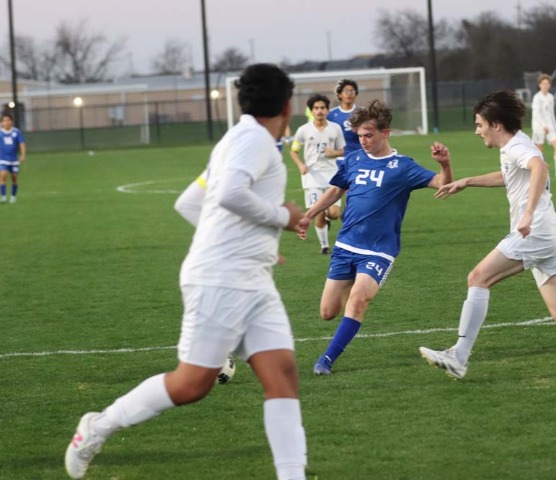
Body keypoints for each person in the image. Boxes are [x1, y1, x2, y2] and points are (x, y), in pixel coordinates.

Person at [65, 63, 308, 480]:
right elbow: (230, 193)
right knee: (192, 384)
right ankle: (97, 426)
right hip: (221, 279)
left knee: (282, 375)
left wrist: (247, 243)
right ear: (287, 106)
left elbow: (190, 203)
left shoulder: (236, 139)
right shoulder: (254, 140)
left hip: (249, 277)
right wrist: (281, 217)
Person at [419, 90, 556, 380]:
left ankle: (458, 356)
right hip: (549, 233)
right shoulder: (514, 146)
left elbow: (539, 167)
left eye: (479, 125)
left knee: (478, 278)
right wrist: (467, 181)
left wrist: (527, 214)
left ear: (496, 124)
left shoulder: (517, 147)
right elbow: (511, 175)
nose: (477, 131)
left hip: (536, 232)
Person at [297, 99, 453, 375]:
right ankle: (354, 294)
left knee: (358, 300)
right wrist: (309, 214)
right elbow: (335, 190)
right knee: (327, 312)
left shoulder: (403, 166)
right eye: (360, 136)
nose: (364, 141)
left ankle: (326, 360)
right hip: (346, 244)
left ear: (386, 132)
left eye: (369, 135)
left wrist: (445, 165)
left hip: (379, 250)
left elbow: (442, 184)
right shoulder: (354, 159)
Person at [290, 94, 346, 254]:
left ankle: (328, 219)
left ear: (327, 110)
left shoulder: (335, 128)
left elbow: (343, 150)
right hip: (312, 176)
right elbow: (294, 151)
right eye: (316, 108)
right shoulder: (303, 130)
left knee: (334, 214)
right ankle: (324, 246)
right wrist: (301, 165)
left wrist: (334, 153)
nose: (319, 111)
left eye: (322, 108)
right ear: (311, 111)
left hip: (332, 174)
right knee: (318, 213)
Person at [531, 74, 556, 178]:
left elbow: (551, 113)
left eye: (547, 83)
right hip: (538, 126)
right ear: (539, 85)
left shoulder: (551, 97)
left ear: (550, 85)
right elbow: (537, 114)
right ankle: (538, 172)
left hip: (549, 125)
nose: (545, 86)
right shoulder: (537, 97)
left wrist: (555, 126)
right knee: (539, 149)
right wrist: (543, 126)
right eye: (543, 83)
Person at [327, 79, 361, 157]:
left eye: (352, 91)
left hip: (358, 156)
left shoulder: (362, 112)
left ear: (356, 94)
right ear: (339, 95)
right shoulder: (331, 115)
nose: (349, 94)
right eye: (346, 91)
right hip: (339, 158)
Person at [0, 113, 26, 204]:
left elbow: (22, 143)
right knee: (3, 175)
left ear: (11, 122)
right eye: (4, 121)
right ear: (2, 123)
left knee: (14, 178)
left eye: (8, 120)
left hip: (14, 159)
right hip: (3, 159)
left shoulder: (16, 132)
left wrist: (23, 155)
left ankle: (13, 196)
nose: (6, 122)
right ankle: (3, 196)